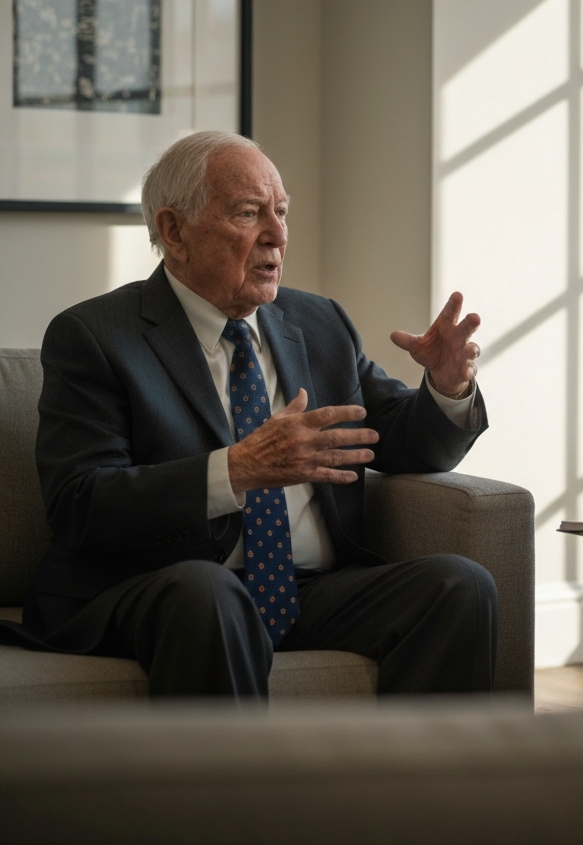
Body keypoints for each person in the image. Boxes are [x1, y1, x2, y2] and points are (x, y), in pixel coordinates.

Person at [9, 131, 497, 698]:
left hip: (310, 589)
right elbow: (80, 504)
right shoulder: (95, 336)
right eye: (248, 213)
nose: (278, 235)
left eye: (282, 212)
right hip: (163, 589)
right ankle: (242, 790)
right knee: (211, 593)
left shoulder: (320, 324)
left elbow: (408, 444)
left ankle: (415, 788)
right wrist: (236, 469)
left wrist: (445, 386)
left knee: (460, 584)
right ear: (174, 231)